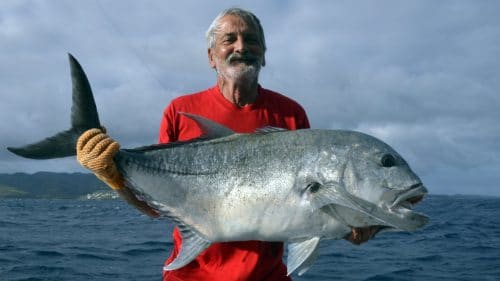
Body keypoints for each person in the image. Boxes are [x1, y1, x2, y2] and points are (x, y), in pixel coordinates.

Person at [76, 8, 377, 281]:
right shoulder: (179, 111)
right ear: (211, 56)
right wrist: (113, 176)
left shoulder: (290, 113)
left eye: (251, 40)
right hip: (189, 276)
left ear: (264, 54)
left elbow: (305, 205)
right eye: (229, 39)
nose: (241, 47)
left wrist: (347, 225)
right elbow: (156, 207)